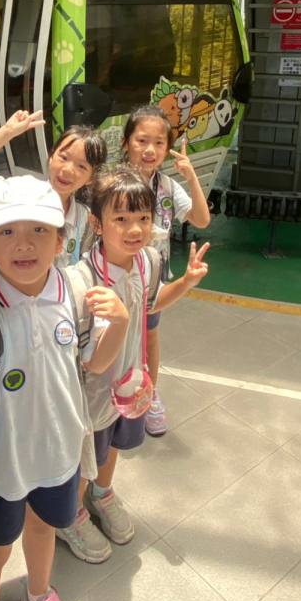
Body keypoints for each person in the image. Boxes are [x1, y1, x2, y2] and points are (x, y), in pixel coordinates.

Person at [0, 176, 128, 601]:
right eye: (6, 232)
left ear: (61, 238)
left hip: (57, 452)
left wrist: (120, 323)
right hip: (0, 464)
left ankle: (37, 596)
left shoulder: (75, 293)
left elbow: (92, 363)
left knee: (43, 529)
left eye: (39, 229)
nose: (24, 243)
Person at [59, 167, 210, 563]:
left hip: (129, 385)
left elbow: (151, 304)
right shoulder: (80, 281)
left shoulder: (148, 261)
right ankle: (70, 516)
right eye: (121, 218)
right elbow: (88, 362)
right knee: (86, 456)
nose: (135, 228)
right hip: (92, 393)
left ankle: (101, 494)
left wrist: (185, 283)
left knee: (114, 447)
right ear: (97, 223)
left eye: (143, 217)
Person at [119, 105, 211, 437]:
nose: (150, 150)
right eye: (142, 140)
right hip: (114, 275)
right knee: (112, 336)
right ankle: (107, 395)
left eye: (159, 143)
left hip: (151, 280)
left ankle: (149, 394)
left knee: (149, 336)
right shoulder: (113, 183)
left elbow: (201, 219)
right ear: (127, 142)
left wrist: (191, 176)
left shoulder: (168, 188)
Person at [0, 109, 106, 267]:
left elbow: (84, 264)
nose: (68, 170)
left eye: (81, 166)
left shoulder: (84, 217)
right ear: (51, 158)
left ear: (91, 178)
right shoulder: (20, 194)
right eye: (63, 157)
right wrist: (8, 131)